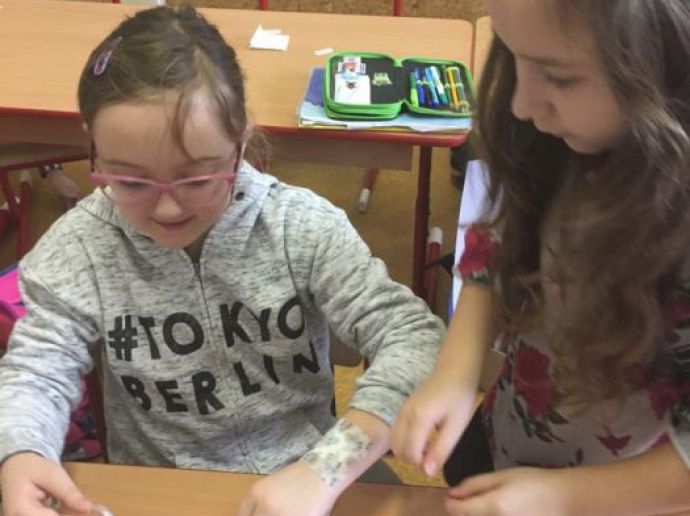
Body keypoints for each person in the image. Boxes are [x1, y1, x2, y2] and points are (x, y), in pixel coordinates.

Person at [0, 6, 445, 516]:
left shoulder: (299, 227)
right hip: (159, 488)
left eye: (197, 179)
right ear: (94, 152)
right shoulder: (80, 248)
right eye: (130, 182)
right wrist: (22, 451)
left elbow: (415, 338)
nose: (167, 208)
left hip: (311, 474)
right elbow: (36, 371)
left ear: (241, 143)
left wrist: (327, 467)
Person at [392, 0, 690, 514]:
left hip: (629, 494)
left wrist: (563, 498)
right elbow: (501, 238)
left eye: (559, 77)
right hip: (511, 438)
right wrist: (459, 367)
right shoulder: (563, 139)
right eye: (511, 56)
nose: (521, 105)